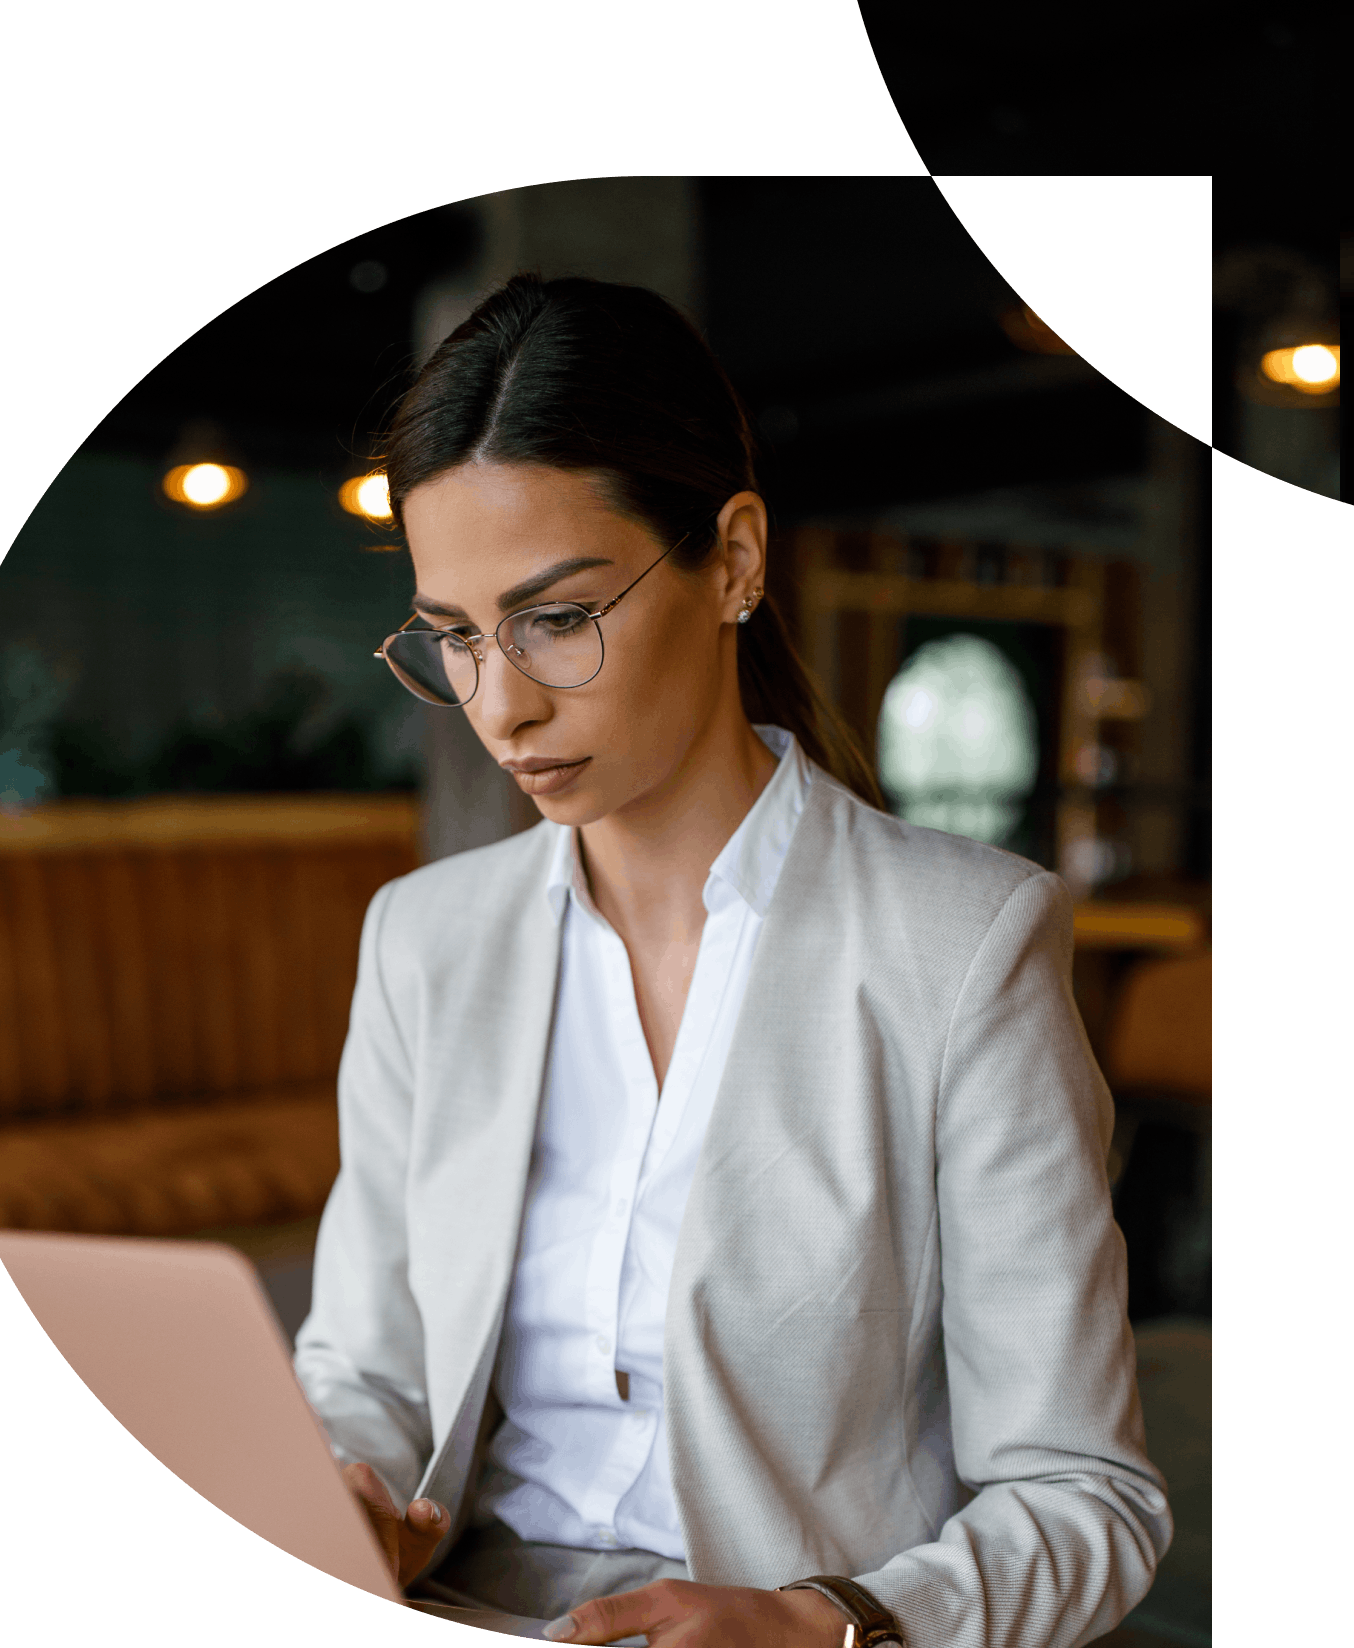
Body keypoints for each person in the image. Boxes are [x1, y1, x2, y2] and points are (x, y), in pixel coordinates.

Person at [293, 274, 1171, 1648]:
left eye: (559, 618)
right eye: (455, 638)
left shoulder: (960, 945)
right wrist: (347, 1485)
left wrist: (828, 1622)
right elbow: (362, 1369)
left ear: (738, 561)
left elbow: (1084, 1495)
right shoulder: (425, 941)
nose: (502, 705)